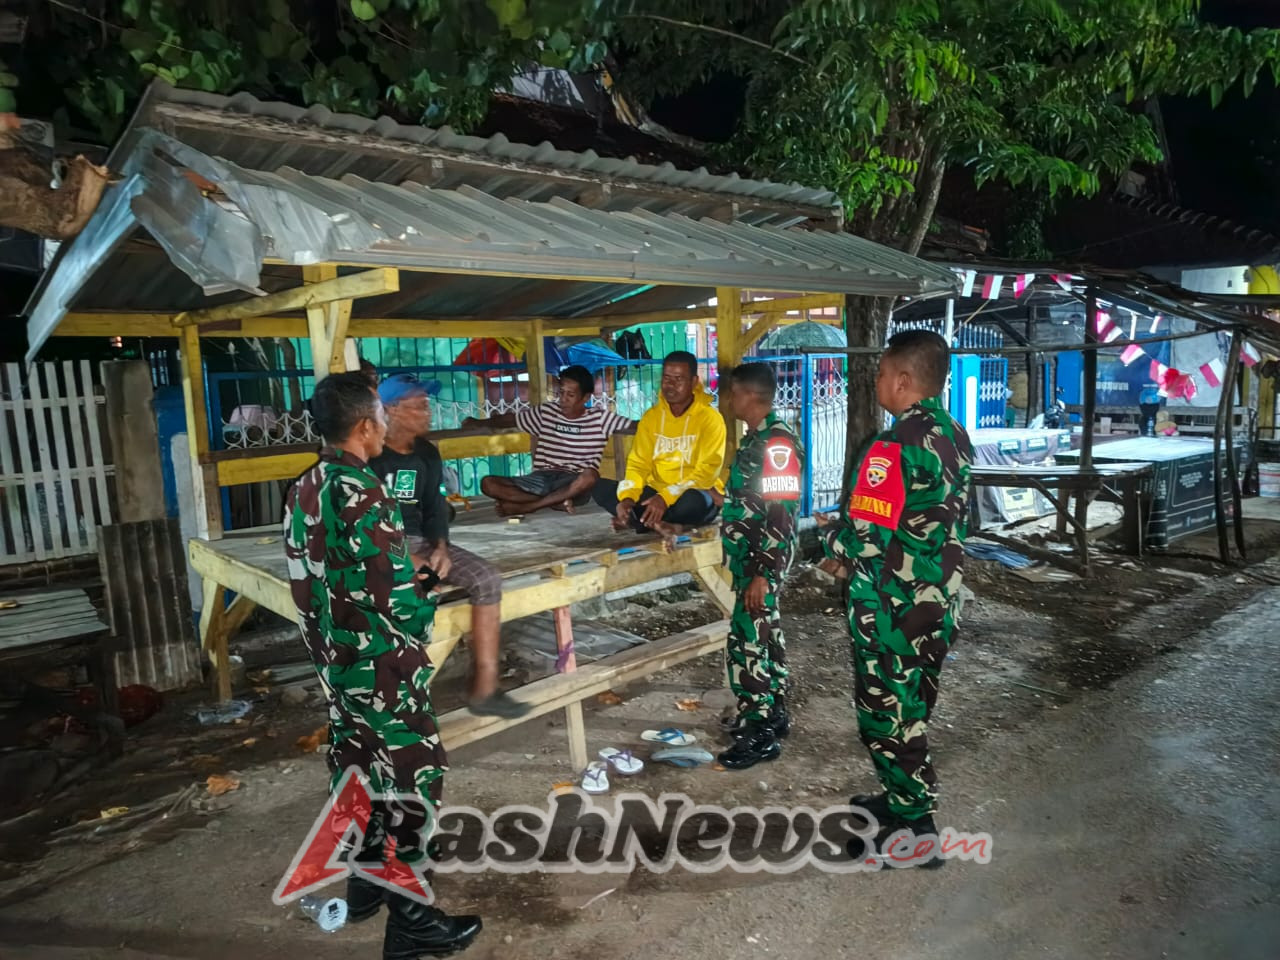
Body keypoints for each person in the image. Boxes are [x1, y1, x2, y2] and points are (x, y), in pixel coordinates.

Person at [283, 371, 482, 957]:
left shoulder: (306, 486)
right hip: (382, 668)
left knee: (359, 771)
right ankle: (413, 923)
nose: (389, 425)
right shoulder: (366, 492)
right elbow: (397, 599)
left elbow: (308, 582)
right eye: (383, 416)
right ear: (367, 426)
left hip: (336, 666)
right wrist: (428, 584)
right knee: (415, 778)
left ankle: (366, 883)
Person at [816, 329, 972, 869]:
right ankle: (901, 800)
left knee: (886, 716)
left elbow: (866, 535)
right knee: (913, 708)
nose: (876, 381)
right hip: (937, 600)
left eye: (881, 373)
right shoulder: (952, 433)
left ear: (904, 380)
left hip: (892, 609)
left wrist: (830, 537)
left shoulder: (891, 445)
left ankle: (917, 829)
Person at [368, 373, 529, 719]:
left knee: (487, 579)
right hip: (378, 547)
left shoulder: (426, 452)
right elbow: (363, 524)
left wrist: (439, 547)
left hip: (422, 544)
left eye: (428, 405)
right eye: (420, 406)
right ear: (392, 410)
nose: (429, 412)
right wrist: (409, 560)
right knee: (418, 593)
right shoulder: (370, 455)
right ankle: (392, 702)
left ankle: (486, 689)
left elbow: (433, 509)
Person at [715, 363, 804, 771]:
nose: (728, 399)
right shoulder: (760, 439)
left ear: (749, 395)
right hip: (751, 557)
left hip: (760, 561)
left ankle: (759, 731)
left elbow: (781, 512)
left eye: (731, 393)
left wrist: (763, 574)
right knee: (765, 634)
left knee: (747, 641)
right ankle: (775, 713)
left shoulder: (777, 443)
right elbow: (751, 501)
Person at [460, 365, 634, 516]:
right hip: (541, 478)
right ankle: (554, 502)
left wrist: (658, 418)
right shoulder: (547, 412)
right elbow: (511, 419)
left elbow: (635, 426)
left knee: (591, 476)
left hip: (573, 483)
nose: (563, 399)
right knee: (488, 483)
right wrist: (479, 422)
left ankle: (529, 507)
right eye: (561, 393)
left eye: (570, 395)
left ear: (586, 398)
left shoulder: (600, 418)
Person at [592, 350, 726, 536]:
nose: (670, 385)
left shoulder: (710, 419)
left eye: (678, 379)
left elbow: (705, 474)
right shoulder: (651, 418)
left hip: (691, 493)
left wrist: (665, 498)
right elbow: (638, 464)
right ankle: (652, 521)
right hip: (655, 492)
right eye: (666, 378)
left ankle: (640, 521)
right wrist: (628, 497)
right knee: (601, 488)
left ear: (694, 382)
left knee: (695, 502)